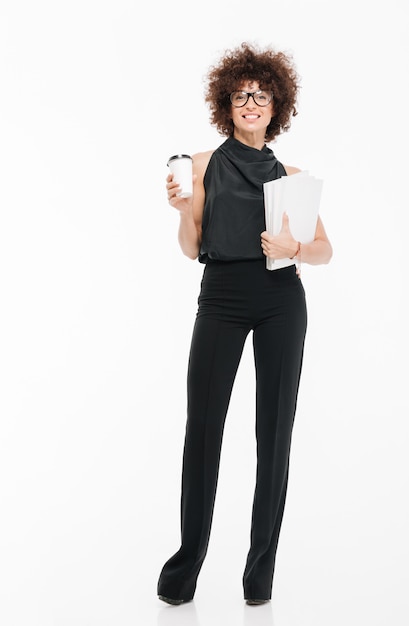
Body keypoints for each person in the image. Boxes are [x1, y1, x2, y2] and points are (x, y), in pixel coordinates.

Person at [157, 41, 333, 606]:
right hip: (222, 297)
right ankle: (185, 571)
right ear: (227, 106)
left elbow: (326, 250)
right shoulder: (203, 165)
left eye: (260, 95)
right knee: (202, 431)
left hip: (283, 299)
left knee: (273, 436)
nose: (251, 103)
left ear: (276, 104)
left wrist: (294, 245)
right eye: (241, 96)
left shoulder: (292, 174)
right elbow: (190, 249)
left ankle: (260, 577)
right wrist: (185, 212)